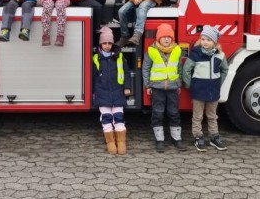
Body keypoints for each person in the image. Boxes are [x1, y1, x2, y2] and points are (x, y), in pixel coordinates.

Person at [182, 26, 229, 152]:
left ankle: (214, 137)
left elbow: (225, 70)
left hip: (213, 91)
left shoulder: (220, 55)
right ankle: (198, 137)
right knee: (197, 116)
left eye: (208, 40)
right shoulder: (196, 54)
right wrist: (189, 84)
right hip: (198, 91)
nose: (205, 42)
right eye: (203, 39)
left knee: (212, 116)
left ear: (215, 42)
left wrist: (219, 83)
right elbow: (186, 69)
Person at [142, 23, 187, 152]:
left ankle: (176, 139)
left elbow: (179, 68)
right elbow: (146, 69)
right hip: (157, 88)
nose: (166, 39)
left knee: (174, 113)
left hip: (173, 87)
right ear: (158, 38)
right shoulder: (151, 51)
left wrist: (179, 84)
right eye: (164, 37)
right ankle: (160, 140)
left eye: (169, 36)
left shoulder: (177, 50)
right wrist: (148, 85)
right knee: (158, 113)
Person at [92, 26, 132, 155]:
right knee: (106, 118)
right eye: (104, 43)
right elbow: (92, 76)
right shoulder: (96, 58)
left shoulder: (119, 57)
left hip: (118, 91)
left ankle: (121, 142)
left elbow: (126, 73)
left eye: (109, 43)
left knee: (119, 117)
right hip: (102, 92)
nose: (107, 46)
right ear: (100, 44)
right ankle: (110, 143)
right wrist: (93, 92)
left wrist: (127, 87)